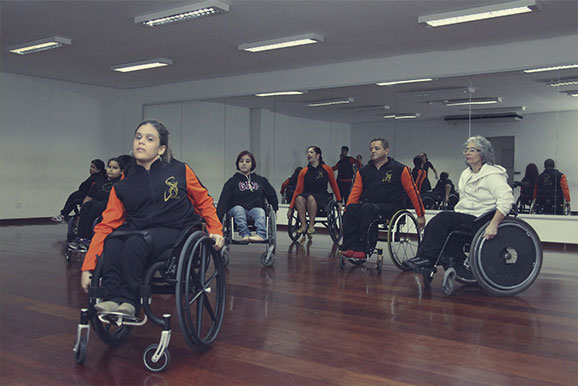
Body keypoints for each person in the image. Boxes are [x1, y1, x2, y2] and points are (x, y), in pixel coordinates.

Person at [80, 119, 224, 317]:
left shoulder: (180, 170)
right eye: (138, 137)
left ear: (161, 149)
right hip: (139, 229)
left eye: (149, 139)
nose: (141, 142)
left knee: (134, 243)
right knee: (113, 241)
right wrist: (88, 267)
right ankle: (112, 298)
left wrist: (216, 230)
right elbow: (106, 224)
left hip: (175, 231)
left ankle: (131, 300)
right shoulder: (125, 181)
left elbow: (204, 201)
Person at [404, 135, 515, 272]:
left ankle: (427, 258)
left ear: (483, 154)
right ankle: (430, 258)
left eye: (473, 150)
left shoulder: (492, 175)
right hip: (467, 215)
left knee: (442, 219)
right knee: (439, 221)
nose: (468, 152)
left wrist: (494, 224)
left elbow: (506, 200)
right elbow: (464, 200)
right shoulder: (466, 174)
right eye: (466, 150)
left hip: (483, 219)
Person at [341, 138, 426, 259]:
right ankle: (350, 246)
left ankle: (365, 248)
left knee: (368, 208)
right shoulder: (363, 171)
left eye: (377, 148)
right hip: (369, 205)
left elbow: (413, 192)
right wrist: (347, 209)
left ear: (386, 151)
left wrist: (421, 214)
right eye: (371, 149)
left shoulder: (400, 169)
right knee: (351, 209)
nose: (373, 151)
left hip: (391, 207)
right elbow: (355, 192)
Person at [217, 151, 278, 242]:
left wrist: (275, 208)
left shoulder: (260, 180)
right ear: (238, 164)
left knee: (260, 211)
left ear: (252, 164)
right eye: (241, 161)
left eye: (247, 161)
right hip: (236, 210)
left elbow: (271, 194)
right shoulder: (232, 181)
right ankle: (245, 234)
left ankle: (261, 235)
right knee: (239, 209)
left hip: (254, 210)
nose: (244, 164)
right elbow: (223, 200)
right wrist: (218, 218)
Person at [68, 157, 126, 251]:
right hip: (96, 202)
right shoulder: (101, 181)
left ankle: (88, 238)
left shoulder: (121, 184)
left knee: (96, 206)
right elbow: (89, 196)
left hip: (110, 205)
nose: (110, 170)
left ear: (121, 171)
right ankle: (80, 237)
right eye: (109, 167)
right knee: (86, 206)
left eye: (115, 168)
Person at [287, 146, 342, 235]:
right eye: (308, 152)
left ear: (318, 155)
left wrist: (339, 201)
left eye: (311, 152)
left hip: (322, 196)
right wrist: (291, 207)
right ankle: (304, 225)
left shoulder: (327, 169)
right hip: (307, 194)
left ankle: (311, 225)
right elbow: (298, 190)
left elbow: (334, 185)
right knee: (299, 198)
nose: (308, 154)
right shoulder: (304, 171)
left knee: (311, 198)